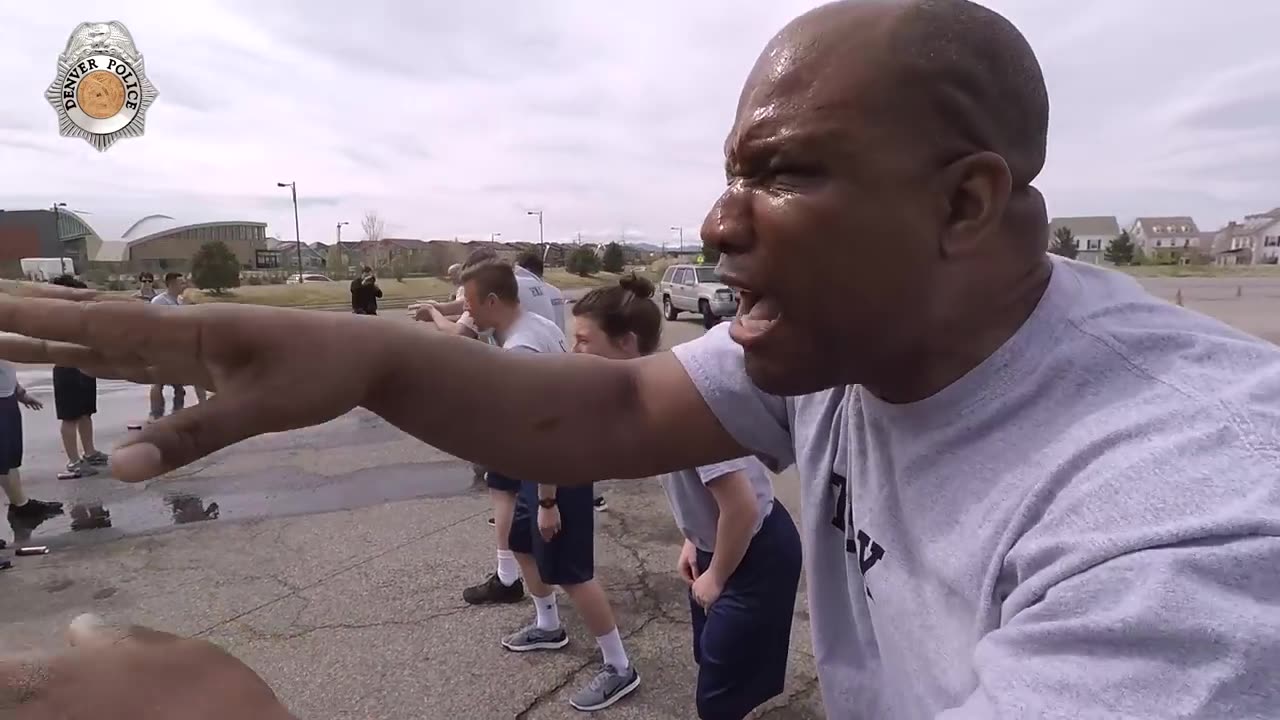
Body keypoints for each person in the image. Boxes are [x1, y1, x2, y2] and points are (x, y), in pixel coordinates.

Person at [4, 1, 1280, 718]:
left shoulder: (1190, 520)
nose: (719, 222)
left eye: (782, 172)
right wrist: (371, 363)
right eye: (731, 173)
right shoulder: (858, 341)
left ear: (961, 205)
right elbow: (612, 404)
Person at [571, 274, 801, 719]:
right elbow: (707, 493)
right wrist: (694, 538)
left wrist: (716, 575)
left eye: (583, 340)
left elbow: (742, 505)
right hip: (722, 545)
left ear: (625, 343)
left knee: (718, 697)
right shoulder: (647, 400)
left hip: (753, 549)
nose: (573, 351)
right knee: (713, 665)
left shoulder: (678, 405)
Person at [449, 257, 639, 711]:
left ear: (493, 301)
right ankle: (548, 626)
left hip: (556, 469)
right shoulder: (529, 324)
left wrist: (549, 499)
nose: (466, 311)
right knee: (521, 543)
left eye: (470, 303)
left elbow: (547, 430)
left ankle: (619, 666)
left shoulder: (521, 352)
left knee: (572, 574)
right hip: (534, 466)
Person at [515, 251, 608, 512]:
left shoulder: (524, 290)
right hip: (557, 351)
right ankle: (585, 493)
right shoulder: (551, 290)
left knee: (555, 435)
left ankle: (549, 499)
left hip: (543, 361)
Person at [0, 355, 63, 546]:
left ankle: (21, 506)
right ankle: (21, 507)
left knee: (9, 458)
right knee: (1, 461)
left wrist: (19, 391)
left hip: (6, 397)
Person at [49, 275, 107, 479]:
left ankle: (90, 452)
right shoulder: (53, 316)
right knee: (70, 416)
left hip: (85, 365)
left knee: (85, 412)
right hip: (66, 367)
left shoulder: (79, 314)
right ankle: (74, 461)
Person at [147, 273, 204, 420]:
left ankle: (177, 414)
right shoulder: (158, 301)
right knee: (158, 382)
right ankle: (156, 414)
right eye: (181, 283)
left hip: (179, 349)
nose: (184, 286)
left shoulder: (180, 301)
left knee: (179, 387)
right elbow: (153, 325)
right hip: (162, 348)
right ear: (171, 284)